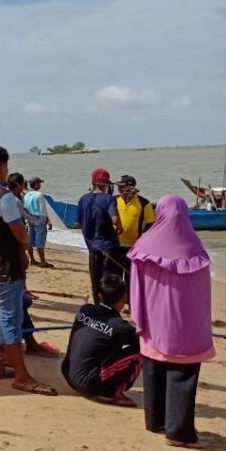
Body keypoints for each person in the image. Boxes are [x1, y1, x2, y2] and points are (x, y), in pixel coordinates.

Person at [129, 195, 215, 449]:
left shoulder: (144, 244)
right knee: (182, 374)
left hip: (153, 324)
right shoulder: (194, 248)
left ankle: (155, 421)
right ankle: (179, 433)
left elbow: (135, 287)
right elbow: (203, 293)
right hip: (184, 326)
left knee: (154, 370)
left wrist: (139, 317)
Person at [0, 145, 56, 395]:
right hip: (3, 268)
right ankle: (21, 376)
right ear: (0, 168)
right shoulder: (3, 197)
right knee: (9, 320)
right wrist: (25, 246)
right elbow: (19, 231)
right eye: (5, 167)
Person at [61, 273, 141, 407]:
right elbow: (143, 341)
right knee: (142, 350)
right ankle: (114, 392)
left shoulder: (84, 310)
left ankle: (105, 384)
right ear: (125, 299)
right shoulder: (120, 327)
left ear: (100, 296)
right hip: (89, 384)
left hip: (67, 373)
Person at [76, 169, 123, 305]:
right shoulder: (109, 199)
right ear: (107, 184)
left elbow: (77, 223)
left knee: (95, 279)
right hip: (109, 246)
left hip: (92, 247)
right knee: (110, 280)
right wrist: (120, 227)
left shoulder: (83, 199)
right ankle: (109, 306)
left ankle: (98, 305)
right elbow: (114, 219)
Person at [112, 175, 154, 280]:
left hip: (133, 248)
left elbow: (150, 225)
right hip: (114, 245)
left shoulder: (144, 203)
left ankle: (130, 296)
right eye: (118, 187)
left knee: (130, 278)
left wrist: (143, 243)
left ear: (129, 186)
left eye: (121, 186)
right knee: (114, 277)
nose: (119, 189)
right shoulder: (113, 200)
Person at [23, 176, 53, 268]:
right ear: (35, 184)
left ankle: (32, 259)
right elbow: (43, 209)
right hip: (39, 218)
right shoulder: (39, 195)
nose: (40, 185)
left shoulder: (27, 195)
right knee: (40, 240)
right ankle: (43, 262)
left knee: (30, 240)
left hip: (30, 218)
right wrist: (49, 221)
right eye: (39, 183)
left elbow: (25, 207)